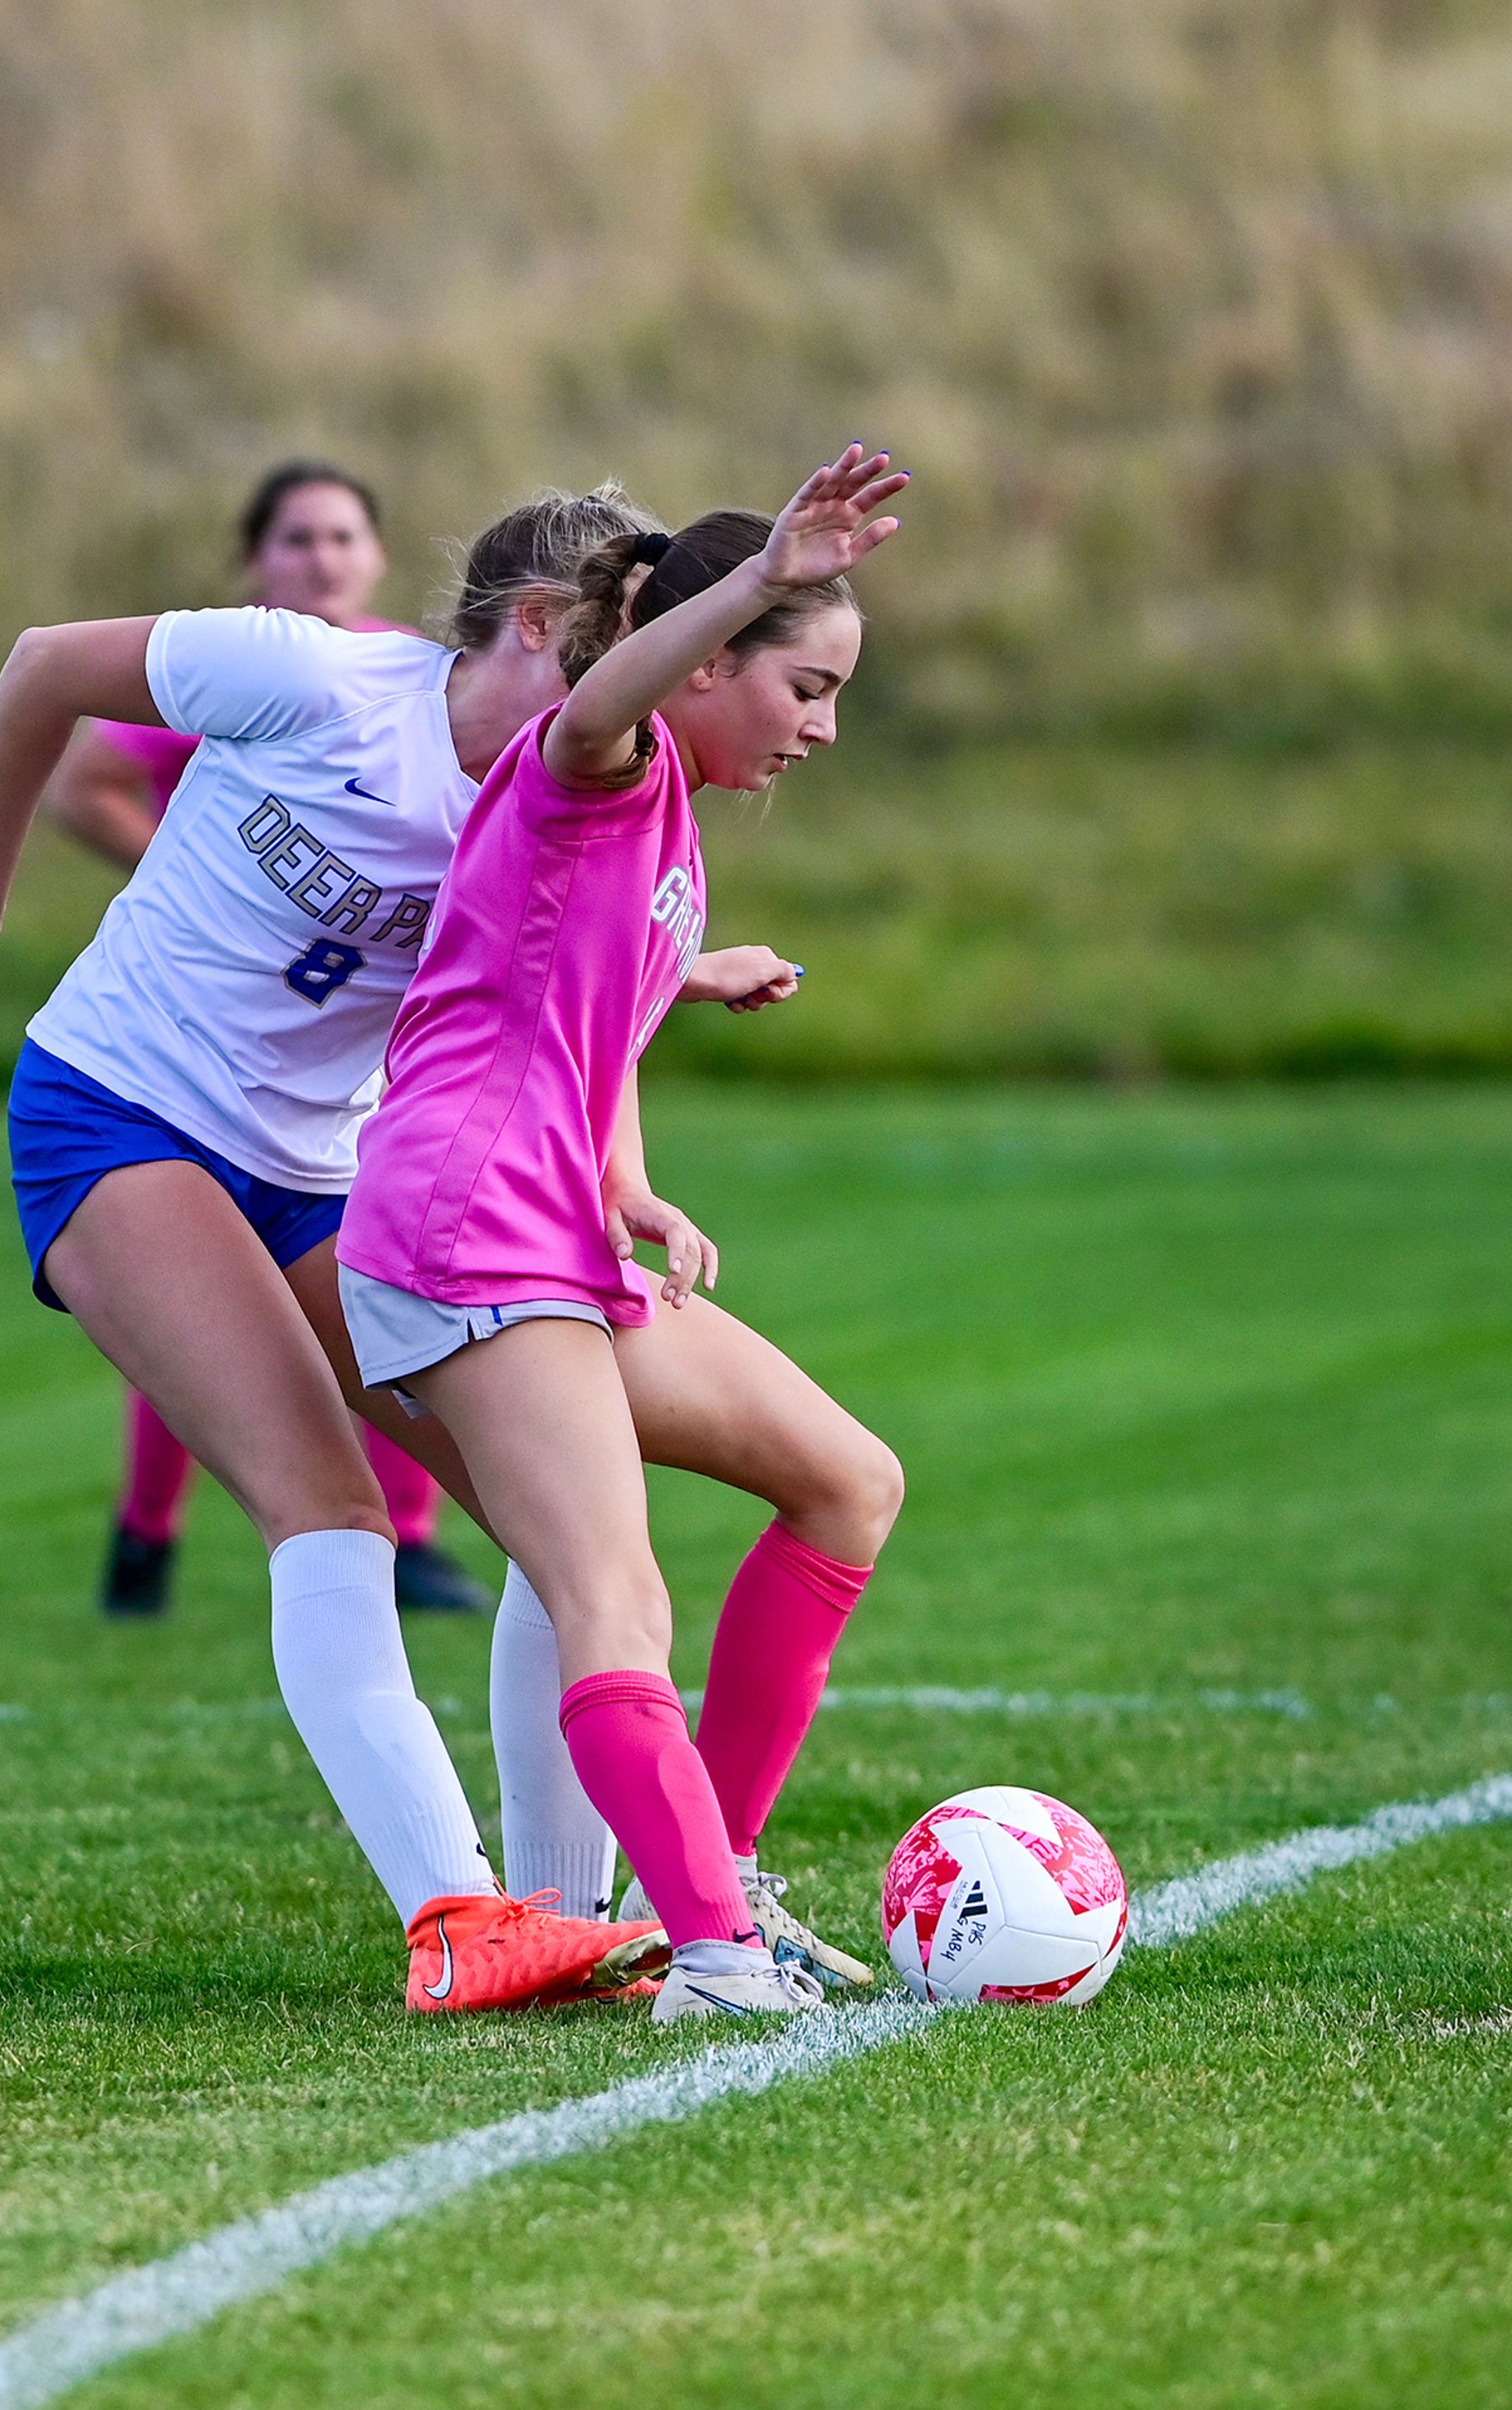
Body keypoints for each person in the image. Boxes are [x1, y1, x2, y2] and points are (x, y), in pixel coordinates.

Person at [0, 486, 685, 2011]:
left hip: (327, 1175)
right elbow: (47, 661)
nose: (645, 705)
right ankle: (455, 1921)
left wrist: (680, 987)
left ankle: (566, 1917)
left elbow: (568, 966)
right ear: (531, 627)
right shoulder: (312, 676)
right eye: (627, 656)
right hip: (117, 1117)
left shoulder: (561, 791)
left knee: (556, 1519)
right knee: (329, 1507)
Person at [339, 448, 910, 2021]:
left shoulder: (672, 821)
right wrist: (753, 568)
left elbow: (572, 1001)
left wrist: (627, 1172)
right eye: (806, 682)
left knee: (849, 1483)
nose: (824, 725)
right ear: (707, 655)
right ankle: (713, 1955)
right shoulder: (598, 754)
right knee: (615, 1603)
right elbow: (599, 707)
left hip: (549, 1230)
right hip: (462, 1233)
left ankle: (710, 1887)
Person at [38, 459, 490, 1619]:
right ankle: (147, 1534)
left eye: (343, 536)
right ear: (257, 561)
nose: (323, 559)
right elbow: (83, 776)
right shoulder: (234, 661)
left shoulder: (441, 696)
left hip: (343, 1053)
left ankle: (424, 1537)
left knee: (385, 1290)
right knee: (207, 1292)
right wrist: (213, 885)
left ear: (379, 557)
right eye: (297, 539)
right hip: (185, 1047)